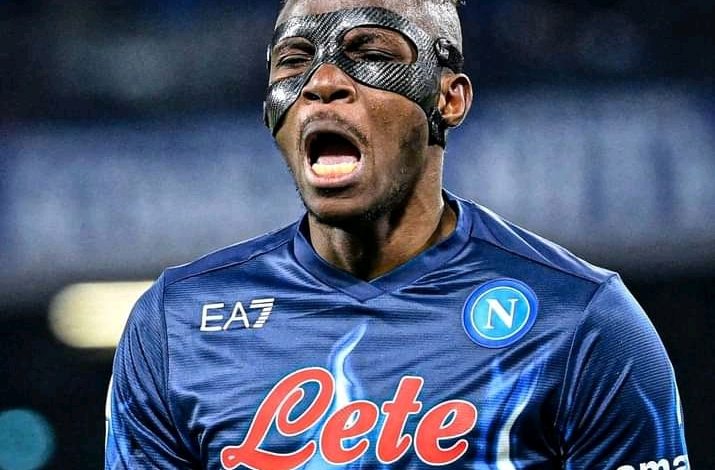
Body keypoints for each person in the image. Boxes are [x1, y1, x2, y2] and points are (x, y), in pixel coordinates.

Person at [105, 0, 689, 468]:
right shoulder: (175, 324)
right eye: (294, 59)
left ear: (449, 98)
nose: (322, 81)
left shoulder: (580, 319)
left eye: (371, 52)